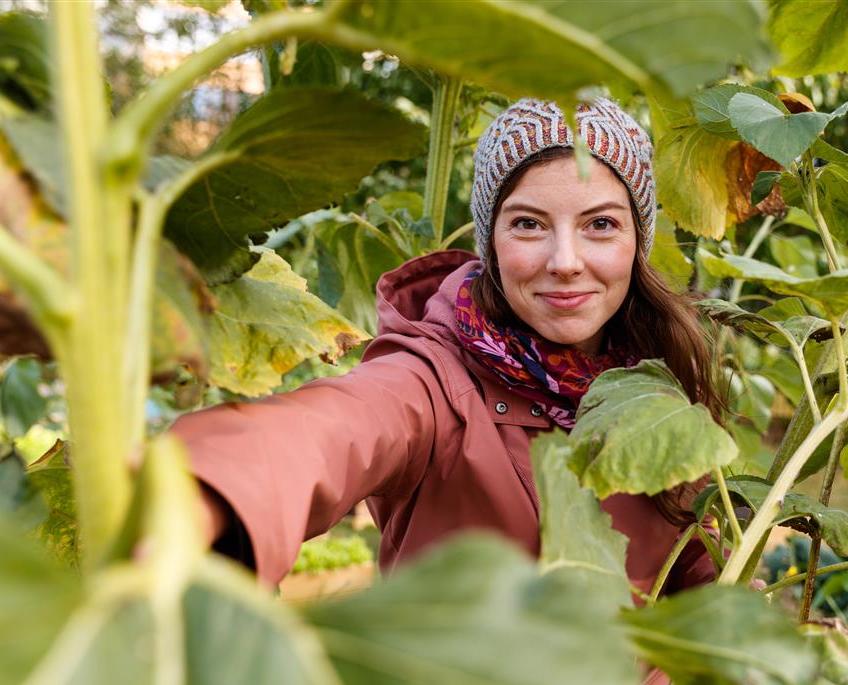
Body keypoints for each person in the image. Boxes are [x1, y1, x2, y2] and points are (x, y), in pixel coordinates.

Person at [171, 97, 724, 597]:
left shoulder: (663, 377)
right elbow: (337, 427)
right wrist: (208, 490)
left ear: (637, 241)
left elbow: (694, 563)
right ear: (490, 240)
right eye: (528, 224)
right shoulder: (436, 381)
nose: (564, 260)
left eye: (600, 224)